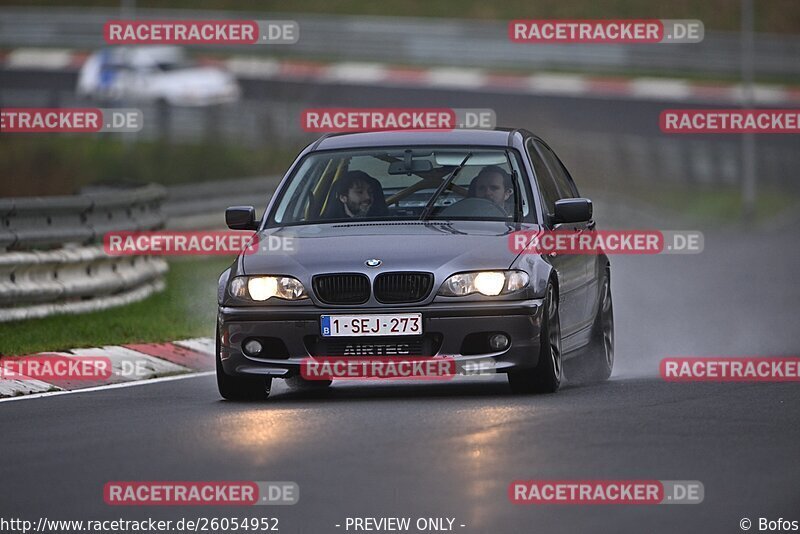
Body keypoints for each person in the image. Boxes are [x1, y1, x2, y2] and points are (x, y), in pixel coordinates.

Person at [324, 170, 388, 219]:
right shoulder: (325, 227)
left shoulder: (386, 222)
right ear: (343, 198)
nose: (367, 197)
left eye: (370, 192)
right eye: (360, 192)